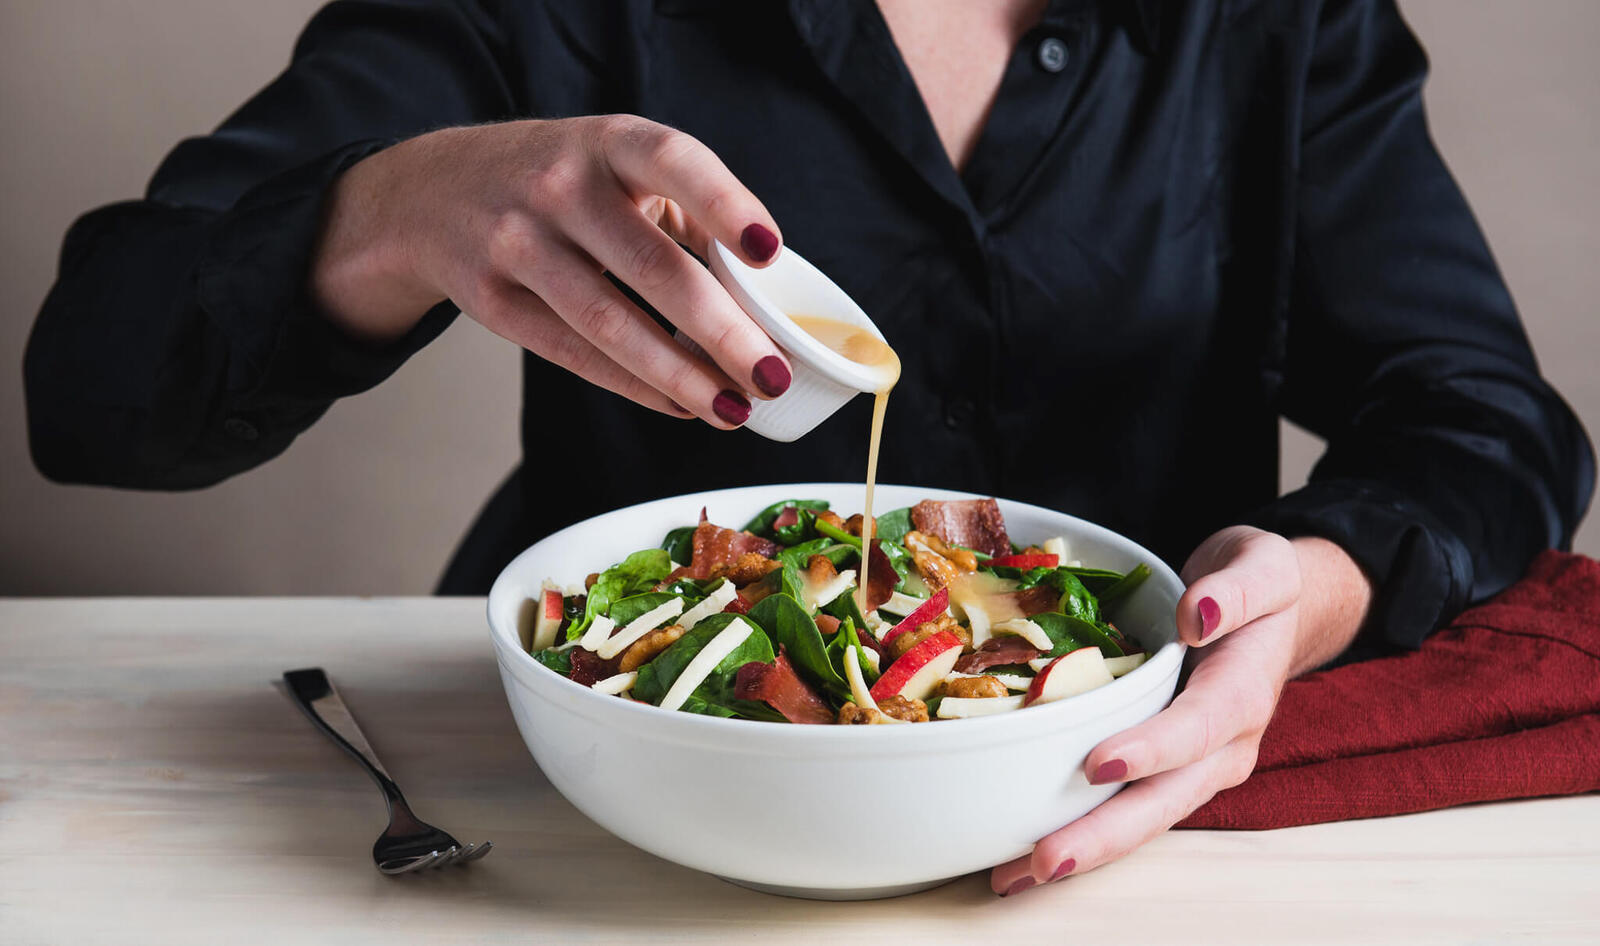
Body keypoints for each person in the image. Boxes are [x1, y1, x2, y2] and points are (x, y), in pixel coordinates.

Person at [24, 0, 1593, 894]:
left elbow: (1487, 418)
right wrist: (387, 207)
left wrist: (1313, 585)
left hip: (1132, 841)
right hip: (593, 835)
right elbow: (91, 390)